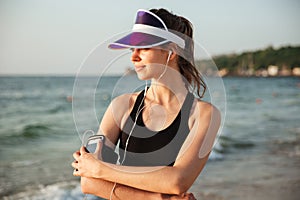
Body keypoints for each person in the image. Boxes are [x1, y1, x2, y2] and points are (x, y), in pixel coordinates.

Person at [72, 8, 221, 200]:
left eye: (143, 48)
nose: (134, 57)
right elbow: (88, 182)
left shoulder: (204, 114)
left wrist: (101, 169)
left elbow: (178, 181)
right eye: (132, 49)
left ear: (171, 51)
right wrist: (155, 198)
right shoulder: (121, 107)